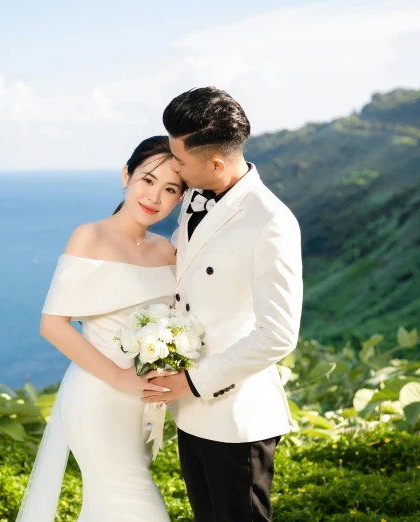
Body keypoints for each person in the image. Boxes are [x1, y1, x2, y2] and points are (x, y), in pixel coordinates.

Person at [143, 87, 304, 522]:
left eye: (179, 159)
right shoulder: (194, 197)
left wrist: (192, 382)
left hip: (235, 416)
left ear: (216, 163)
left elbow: (279, 335)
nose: (171, 166)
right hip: (191, 412)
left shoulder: (271, 221)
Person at [16, 136, 186, 521]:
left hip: (143, 403)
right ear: (126, 175)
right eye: (147, 180)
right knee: (136, 504)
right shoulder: (89, 236)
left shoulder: (168, 251)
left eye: (170, 189)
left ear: (180, 197)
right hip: (97, 397)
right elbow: (53, 324)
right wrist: (119, 377)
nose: (155, 196)